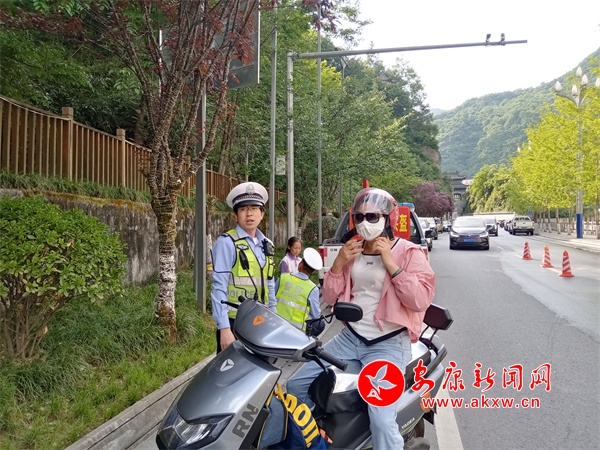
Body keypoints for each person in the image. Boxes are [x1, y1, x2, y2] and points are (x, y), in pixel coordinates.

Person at [286, 187, 435, 449]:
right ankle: (311, 440)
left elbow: (420, 299)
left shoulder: (408, 252)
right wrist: (338, 264)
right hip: (350, 338)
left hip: (388, 343)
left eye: (372, 216)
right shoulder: (351, 250)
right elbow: (330, 297)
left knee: (381, 418)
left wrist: (390, 263)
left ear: (388, 219)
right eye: (359, 217)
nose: (365, 222)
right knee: (296, 384)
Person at [210, 181, 276, 354]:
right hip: (235, 323)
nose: (249, 214)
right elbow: (219, 288)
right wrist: (224, 328)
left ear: (262, 214)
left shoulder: (267, 245)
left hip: (261, 321)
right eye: (243, 209)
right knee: (232, 370)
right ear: (235, 215)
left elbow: (269, 285)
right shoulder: (227, 243)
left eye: (254, 208)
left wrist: (275, 320)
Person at [275, 247, 323, 333]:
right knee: (321, 324)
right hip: (296, 331)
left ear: (300, 264)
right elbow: (315, 315)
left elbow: (271, 297)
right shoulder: (313, 289)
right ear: (313, 271)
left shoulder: (283, 278)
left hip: (275, 324)